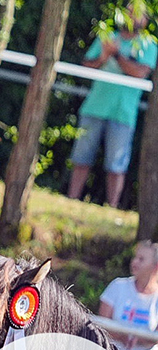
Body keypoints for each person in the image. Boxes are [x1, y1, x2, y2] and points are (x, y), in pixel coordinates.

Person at [66, 13, 157, 207]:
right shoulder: (106, 37)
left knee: (116, 166)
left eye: (138, 13)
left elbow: (140, 73)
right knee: (81, 158)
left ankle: (112, 208)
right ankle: (71, 200)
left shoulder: (149, 45)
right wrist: (103, 57)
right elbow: (87, 67)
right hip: (94, 107)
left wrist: (116, 55)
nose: (132, 17)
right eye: (130, 11)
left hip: (123, 114)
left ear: (146, 20)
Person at [97, 241, 158, 350]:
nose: (134, 262)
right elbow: (102, 324)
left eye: (141, 259)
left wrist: (140, 339)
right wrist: (122, 336)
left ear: (155, 267)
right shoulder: (118, 286)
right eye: (135, 257)